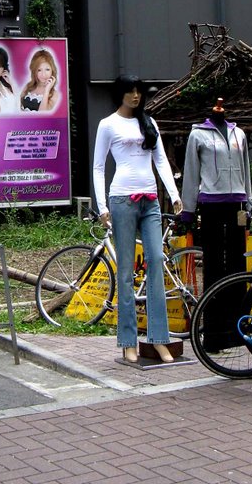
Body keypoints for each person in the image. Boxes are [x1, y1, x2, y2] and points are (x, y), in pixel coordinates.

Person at [93, 75, 182, 364]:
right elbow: (97, 167)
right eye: (129, 91)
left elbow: (161, 161)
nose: (135, 96)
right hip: (121, 200)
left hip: (151, 200)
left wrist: (174, 194)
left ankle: (158, 339)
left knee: (156, 260)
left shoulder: (149, 122)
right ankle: (128, 341)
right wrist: (102, 206)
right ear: (119, 94)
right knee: (126, 272)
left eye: (138, 92)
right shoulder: (108, 124)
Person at [180, 98, 252, 348]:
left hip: (237, 204)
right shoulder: (198, 135)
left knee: (237, 264)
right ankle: (213, 334)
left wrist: (249, 202)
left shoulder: (239, 133)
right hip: (210, 204)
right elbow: (190, 172)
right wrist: (188, 208)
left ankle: (238, 331)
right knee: (213, 266)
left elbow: (246, 170)